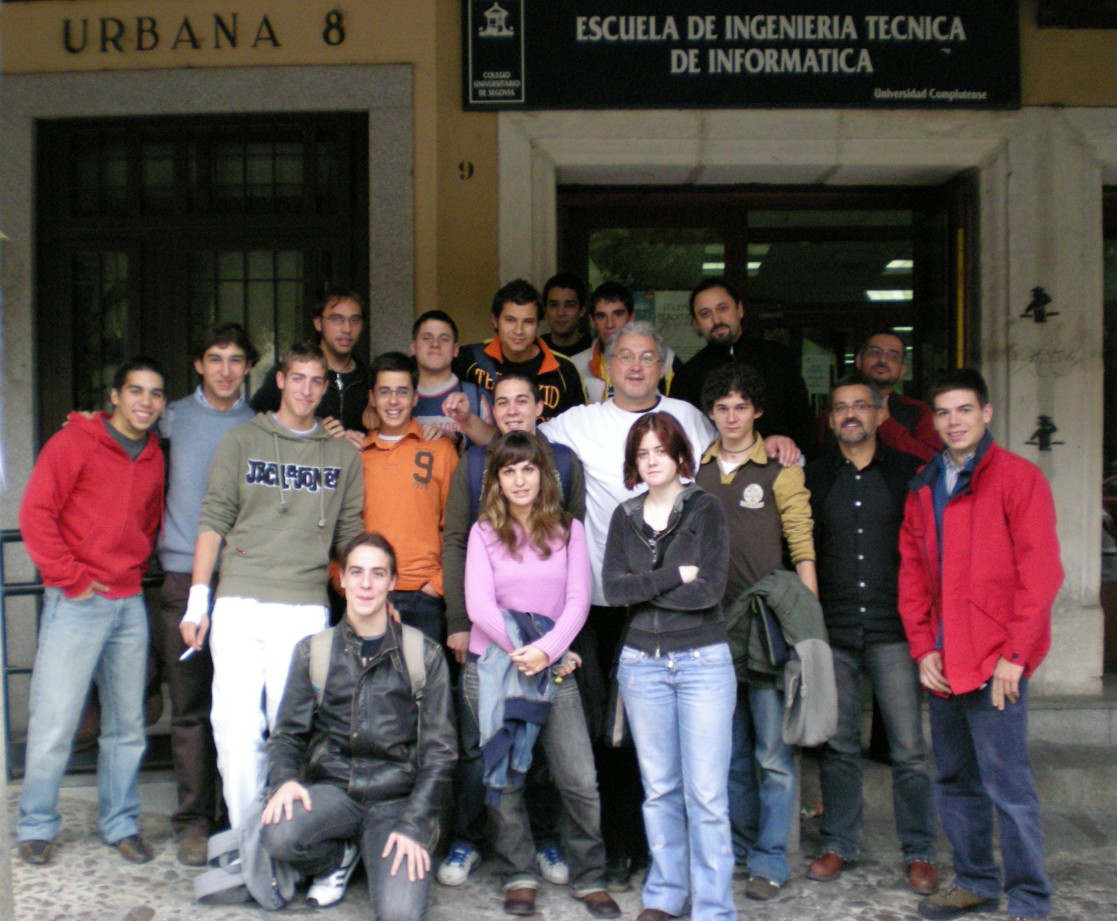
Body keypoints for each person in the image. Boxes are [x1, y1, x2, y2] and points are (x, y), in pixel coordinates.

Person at [539, 320, 717, 889]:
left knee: (656, 731)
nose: (636, 366)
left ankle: (655, 849)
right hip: (596, 601)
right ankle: (614, 845)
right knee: (604, 732)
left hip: (669, 605)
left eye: (647, 357)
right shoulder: (576, 421)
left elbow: (735, 453)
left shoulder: (689, 417)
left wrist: (783, 443)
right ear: (605, 364)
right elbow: (515, 436)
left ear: (662, 365)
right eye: (625, 356)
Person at [898, 369, 1063, 921]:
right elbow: (913, 577)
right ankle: (973, 880)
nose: (954, 422)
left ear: (986, 413)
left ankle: (1030, 897)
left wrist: (1016, 656)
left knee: (1009, 788)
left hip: (996, 661)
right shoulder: (924, 485)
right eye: (943, 413)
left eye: (964, 410)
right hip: (945, 662)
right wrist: (923, 649)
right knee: (955, 780)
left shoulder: (1019, 478)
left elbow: (1041, 575)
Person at [181, 341, 365, 829]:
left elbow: (349, 534)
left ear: (327, 388)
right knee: (235, 725)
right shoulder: (242, 441)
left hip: (303, 606)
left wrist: (369, 596)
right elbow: (213, 519)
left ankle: (286, 837)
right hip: (239, 599)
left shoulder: (342, 456)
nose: (306, 389)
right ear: (280, 380)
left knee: (293, 729)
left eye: (317, 380)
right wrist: (197, 603)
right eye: (298, 377)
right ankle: (247, 838)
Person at [463, 431, 620, 919]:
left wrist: (549, 652)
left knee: (579, 777)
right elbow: (478, 605)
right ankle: (518, 872)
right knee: (505, 775)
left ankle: (589, 876)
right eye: (508, 471)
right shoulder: (483, 532)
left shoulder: (568, 530)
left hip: (553, 669)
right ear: (497, 480)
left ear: (544, 474)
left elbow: (577, 600)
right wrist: (522, 649)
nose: (519, 479)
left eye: (527, 468)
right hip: (497, 667)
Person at [17, 357, 167, 866]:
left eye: (155, 393)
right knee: (55, 722)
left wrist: (131, 566)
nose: (146, 401)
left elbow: (148, 521)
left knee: (127, 726)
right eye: (136, 391)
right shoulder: (74, 442)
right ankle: (36, 825)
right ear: (115, 396)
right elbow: (35, 514)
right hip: (77, 602)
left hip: (128, 602)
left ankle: (120, 822)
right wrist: (72, 578)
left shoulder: (152, 455)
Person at [438, 372, 585, 888]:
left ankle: (544, 840)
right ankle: (470, 837)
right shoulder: (474, 463)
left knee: (543, 749)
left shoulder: (564, 462)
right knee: (485, 746)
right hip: (491, 634)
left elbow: (574, 554)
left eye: (523, 399)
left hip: (552, 638)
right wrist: (459, 620)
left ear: (539, 406)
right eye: (502, 402)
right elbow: (456, 539)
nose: (514, 409)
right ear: (491, 410)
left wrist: (557, 644)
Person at [261, 533, 457, 913]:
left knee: (400, 912)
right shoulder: (313, 651)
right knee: (279, 833)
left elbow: (440, 753)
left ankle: (374, 854)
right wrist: (284, 780)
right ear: (342, 580)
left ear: (392, 582)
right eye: (357, 572)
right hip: (335, 791)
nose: (366, 584)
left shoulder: (424, 655)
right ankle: (338, 857)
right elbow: (287, 734)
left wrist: (416, 823)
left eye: (377, 573)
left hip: (398, 800)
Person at [803, 374, 938, 894]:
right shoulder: (814, 478)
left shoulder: (909, 474)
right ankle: (839, 841)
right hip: (834, 628)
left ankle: (921, 850)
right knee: (838, 745)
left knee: (907, 749)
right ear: (831, 417)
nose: (851, 415)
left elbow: (929, 551)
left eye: (862, 405)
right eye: (841, 408)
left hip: (896, 630)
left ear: (881, 412)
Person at [602, 412, 735, 921]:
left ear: (681, 456)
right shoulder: (625, 516)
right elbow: (615, 590)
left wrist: (647, 586)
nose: (652, 461)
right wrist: (672, 574)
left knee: (705, 794)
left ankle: (713, 908)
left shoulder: (706, 509)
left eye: (661, 450)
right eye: (643, 453)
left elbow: (710, 591)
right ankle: (664, 893)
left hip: (702, 660)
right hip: (641, 664)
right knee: (658, 789)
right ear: (634, 463)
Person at [695, 362, 816, 901]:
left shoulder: (780, 467)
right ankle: (740, 851)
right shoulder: (693, 470)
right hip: (711, 626)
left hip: (767, 625)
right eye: (721, 407)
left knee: (772, 752)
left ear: (758, 411)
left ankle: (770, 858)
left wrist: (807, 629)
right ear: (710, 413)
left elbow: (802, 544)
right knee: (730, 752)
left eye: (741, 407)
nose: (731, 417)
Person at [155, 322, 258, 865]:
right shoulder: (170, 417)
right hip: (179, 576)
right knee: (191, 706)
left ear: (248, 367)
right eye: (215, 358)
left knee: (240, 704)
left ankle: (238, 816)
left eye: (236, 359)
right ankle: (195, 820)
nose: (225, 369)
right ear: (198, 364)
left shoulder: (260, 425)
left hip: (241, 582)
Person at [359, 351, 459, 643]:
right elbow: (342, 522)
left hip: (423, 596)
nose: (393, 401)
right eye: (385, 392)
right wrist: (342, 580)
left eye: (402, 392)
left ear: (415, 397)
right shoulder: (357, 453)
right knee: (370, 688)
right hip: (368, 591)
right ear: (372, 397)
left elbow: (456, 526)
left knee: (423, 687)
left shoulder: (440, 450)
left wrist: (437, 585)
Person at [671, 277, 814, 455]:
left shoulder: (777, 357)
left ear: (739, 309)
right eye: (705, 314)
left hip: (779, 468)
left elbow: (802, 423)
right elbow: (682, 439)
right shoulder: (687, 376)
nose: (716, 320)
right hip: (715, 476)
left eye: (723, 308)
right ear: (696, 325)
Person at [453, 278, 587, 421]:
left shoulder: (564, 371)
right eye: (510, 320)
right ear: (494, 320)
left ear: (538, 325)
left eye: (528, 321)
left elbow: (577, 429)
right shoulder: (469, 359)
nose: (519, 330)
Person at [251, 287, 369, 442]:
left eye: (354, 320)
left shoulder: (370, 379)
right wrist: (310, 432)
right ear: (318, 323)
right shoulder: (290, 375)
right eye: (336, 319)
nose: (347, 329)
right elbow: (257, 426)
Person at [816, 333, 940, 461]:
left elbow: (933, 462)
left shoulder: (919, 411)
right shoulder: (831, 414)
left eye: (893, 356)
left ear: (902, 369)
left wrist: (887, 425)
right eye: (875, 353)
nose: (883, 360)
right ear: (859, 361)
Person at [571, 282, 681, 402]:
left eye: (618, 314)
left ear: (631, 317)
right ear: (592, 321)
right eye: (601, 316)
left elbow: (679, 413)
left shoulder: (666, 359)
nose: (610, 324)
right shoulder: (575, 366)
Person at [409, 309, 495, 448]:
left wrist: (455, 440)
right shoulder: (399, 398)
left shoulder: (477, 397)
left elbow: (498, 448)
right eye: (426, 338)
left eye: (444, 339)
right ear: (413, 347)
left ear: (456, 350)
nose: (435, 344)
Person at [541, 271, 593, 358]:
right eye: (554, 305)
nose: (560, 313)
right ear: (545, 310)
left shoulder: (595, 351)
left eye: (569, 305)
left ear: (582, 310)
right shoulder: (535, 350)